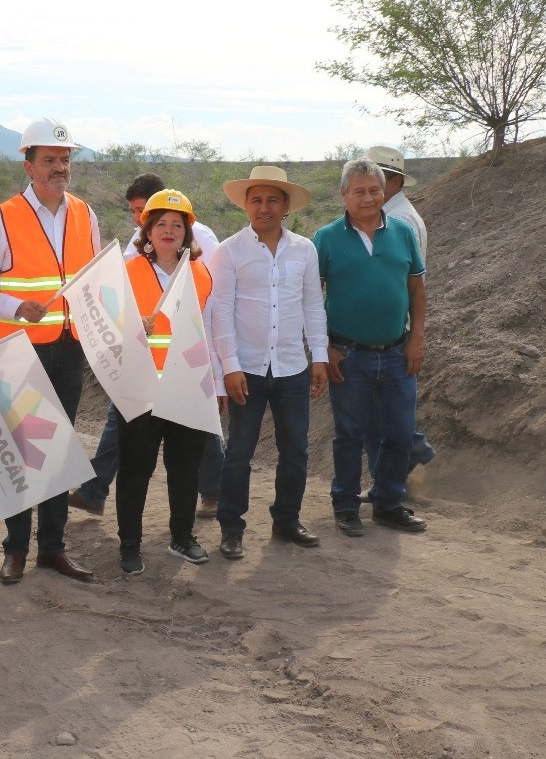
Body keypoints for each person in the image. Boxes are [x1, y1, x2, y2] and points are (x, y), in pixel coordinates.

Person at [0, 117, 99, 584]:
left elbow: (90, 281)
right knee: (21, 448)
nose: (59, 168)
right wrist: (14, 306)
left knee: (58, 447)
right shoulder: (3, 217)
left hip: (67, 348)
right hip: (21, 348)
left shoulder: (85, 214)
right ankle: (16, 549)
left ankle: (52, 547)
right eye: (49, 160)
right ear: (28, 165)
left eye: (64, 159)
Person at [69, 172, 224, 519]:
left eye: (174, 224)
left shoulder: (203, 253)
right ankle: (104, 500)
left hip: (184, 375)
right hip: (142, 375)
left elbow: (207, 311)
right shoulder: (131, 261)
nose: (141, 219)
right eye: (144, 217)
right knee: (135, 452)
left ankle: (212, 492)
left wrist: (213, 377)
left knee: (193, 440)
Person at [210, 166, 329, 559]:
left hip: (293, 366)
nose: (264, 207)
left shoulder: (304, 250)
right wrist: (229, 365)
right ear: (246, 205)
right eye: (256, 200)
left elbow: (313, 305)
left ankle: (287, 519)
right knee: (239, 451)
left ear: (286, 206)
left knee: (295, 449)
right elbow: (221, 312)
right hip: (247, 369)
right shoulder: (228, 251)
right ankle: (231, 527)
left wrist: (320, 356)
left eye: (272, 199)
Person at [314, 158, 428, 536]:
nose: (368, 198)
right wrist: (324, 347)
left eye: (374, 190)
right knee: (349, 434)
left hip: (397, 352)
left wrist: (416, 339)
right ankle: (346, 505)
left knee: (398, 433)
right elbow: (312, 297)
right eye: (359, 191)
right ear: (344, 194)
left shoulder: (402, 233)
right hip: (348, 354)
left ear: (386, 192)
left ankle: (388, 503)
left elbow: (416, 288)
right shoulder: (326, 238)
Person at [114, 190, 215, 575]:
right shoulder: (128, 272)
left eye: (177, 225)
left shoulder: (201, 274)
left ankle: (182, 537)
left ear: (188, 232)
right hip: (141, 388)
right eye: (161, 225)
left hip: (186, 386)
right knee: (136, 469)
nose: (169, 231)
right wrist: (130, 329)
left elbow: (207, 329)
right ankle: (129, 543)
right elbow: (108, 331)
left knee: (184, 467)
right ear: (147, 231)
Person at [364, 146, 436, 477]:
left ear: (393, 182)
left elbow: (405, 282)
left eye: (376, 181)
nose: (369, 189)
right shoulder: (400, 215)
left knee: (379, 410)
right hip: (396, 326)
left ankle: (402, 461)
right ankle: (403, 460)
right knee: (382, 408)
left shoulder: (397, 220)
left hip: (392, 330)